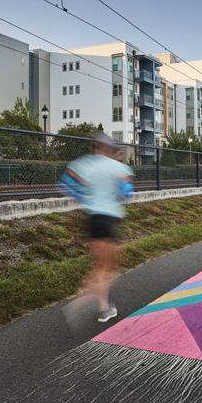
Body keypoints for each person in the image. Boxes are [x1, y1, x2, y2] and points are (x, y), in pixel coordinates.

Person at [58, 132, 134, 322]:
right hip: (110, 219)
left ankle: (103, 308)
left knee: (100, 266)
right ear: (110, 149)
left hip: (92, 218)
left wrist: (83, 197)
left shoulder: (85, 164)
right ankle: (84, 302)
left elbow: (65, 182)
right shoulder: (118, 167)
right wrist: (117, 190)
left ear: (95, 147)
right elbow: (127, 192)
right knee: (111, 268)